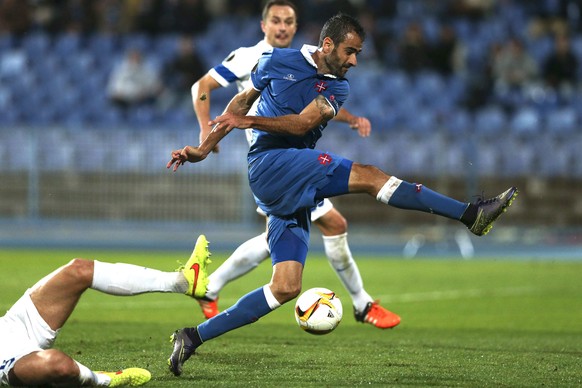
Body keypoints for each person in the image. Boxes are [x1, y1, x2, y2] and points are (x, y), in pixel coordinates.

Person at [166, 13, 518, 376]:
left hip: (290, 178)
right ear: (328, 45)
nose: (355, 61)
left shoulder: (337, 88)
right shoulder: (276, 60)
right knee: (369, 175)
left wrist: (250, 121)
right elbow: (239, 103)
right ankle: (469, 215)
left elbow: (302, 123)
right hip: (270, 163)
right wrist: (204, 147)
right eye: (350, 51)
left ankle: (192, 336)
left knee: (285, 287)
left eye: (359, 53)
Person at [190, 0, 398, 330]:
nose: (283, 27)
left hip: (288, 156)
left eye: (289, 21)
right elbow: (201, 86)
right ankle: (362, 304)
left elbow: (314, 108)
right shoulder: (250, 57)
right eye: (276, 21)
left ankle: (210, 287)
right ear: (264, 26)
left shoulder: (306, 60)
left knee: (281, 238)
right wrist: (206, 131)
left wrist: (350, 119)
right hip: (271, 161)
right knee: (333, 223)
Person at [0, 234, 212, 386]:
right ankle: (104, 380)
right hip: (10, 359)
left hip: (12, 325)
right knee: (59, 365)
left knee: (79, 270)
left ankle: (181, 282)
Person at [107, 48, 163, 112]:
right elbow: (114, 90)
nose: (135, 60)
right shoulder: (120, 71)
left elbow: (155, 87)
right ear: (128, 59)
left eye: (137, 58)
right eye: (133, 58)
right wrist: (122, 94)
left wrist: (147, 92)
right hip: (124, 101)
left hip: (142, 101)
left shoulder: (147, 71)